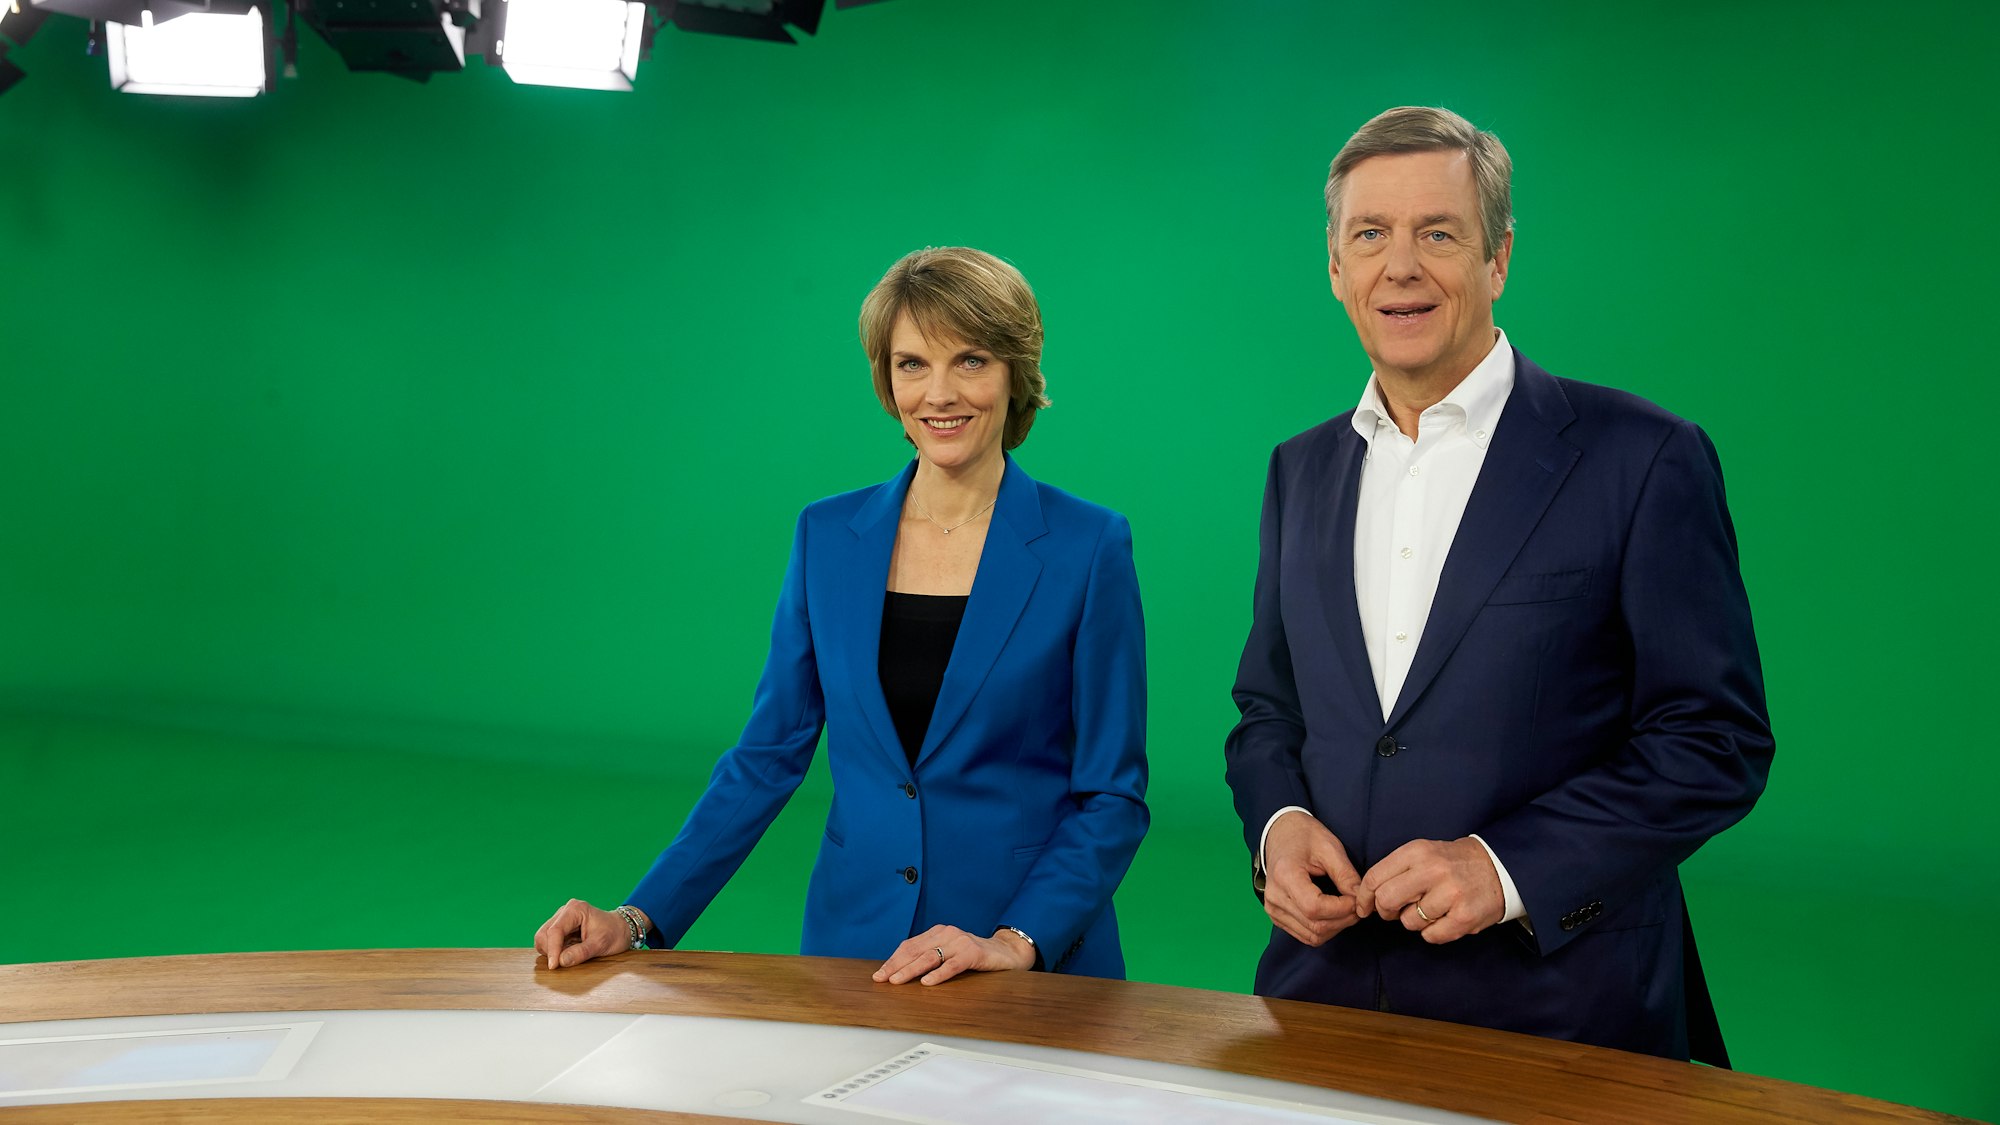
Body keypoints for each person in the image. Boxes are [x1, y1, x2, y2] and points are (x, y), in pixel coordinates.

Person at [1223, 106, 1773, 1062]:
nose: (1401, 266)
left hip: (1564, 1011)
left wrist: (1506, 865)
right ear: (1336, 268)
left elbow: (1714, 740)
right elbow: (1269, 709)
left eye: (1438, 233)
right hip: (1324, 1001)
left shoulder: (1642, 458)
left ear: (1498, 259)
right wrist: (1279, 825)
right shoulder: (1298, 469)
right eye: (1371, 236)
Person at [536, 247, 1148, 985]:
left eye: (972, 360)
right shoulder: (826, 537)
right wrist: (636, 918)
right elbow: (767, 755)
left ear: (1015, 370)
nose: (940, 393)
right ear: (887, 380)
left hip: (1024, 960)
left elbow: (1111, 794)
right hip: (857, 956)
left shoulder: (1089, 546)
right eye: (912, 363)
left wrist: (1015, 940)